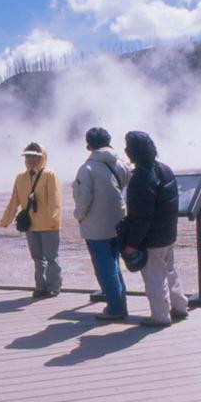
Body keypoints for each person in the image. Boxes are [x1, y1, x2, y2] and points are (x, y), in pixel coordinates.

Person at [120, 131, 189, 327]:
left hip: (151, 239)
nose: (125, 151)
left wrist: (131, 245)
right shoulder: (164, 169)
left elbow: (141, 218)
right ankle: (180, 306)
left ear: (134, 151)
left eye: (128, 147)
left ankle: (160, 316)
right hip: (168, 234)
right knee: (169, 271)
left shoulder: (141, 178)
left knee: (154, 278)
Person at [73, 127, 131, 319]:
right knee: (114, 263)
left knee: (105, 266)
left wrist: (79, 216)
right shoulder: (121, 164)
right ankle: (120, 302)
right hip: (118, 222)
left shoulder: (87, 168)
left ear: (88, 144)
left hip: (96, 227)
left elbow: (83, 199)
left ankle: (116, 308)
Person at [0, 142, 62, 298]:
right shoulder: (20, 178)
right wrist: (5, 220)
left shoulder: (49, 174)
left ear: (42, 157)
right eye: (28, 156)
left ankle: (54, 286)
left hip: (48, 224)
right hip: (31, 225)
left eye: (35, 157)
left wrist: (53, 219)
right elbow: (14, 200)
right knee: (37, 258)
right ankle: (40, 286)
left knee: (51, 257)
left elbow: (55, 199)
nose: (31, 160)